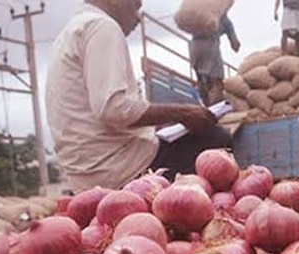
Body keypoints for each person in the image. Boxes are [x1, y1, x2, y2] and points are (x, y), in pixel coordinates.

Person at [46, 0, 232, 193]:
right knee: (215, 140)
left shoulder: (72, 30)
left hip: (88, 175)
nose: (138, 17)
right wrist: (183, 113)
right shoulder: (102, 27)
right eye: (136, 5)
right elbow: (114, 109)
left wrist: (159, 121)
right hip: (123, 168)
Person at [189, 13, 241, 106]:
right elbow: (235, 45)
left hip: (194, 47)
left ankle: (207, 107)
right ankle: (215, 112)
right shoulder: (224, 20)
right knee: (217, 83)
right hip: (210, 45)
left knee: (201, 81)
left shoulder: (200, 14)